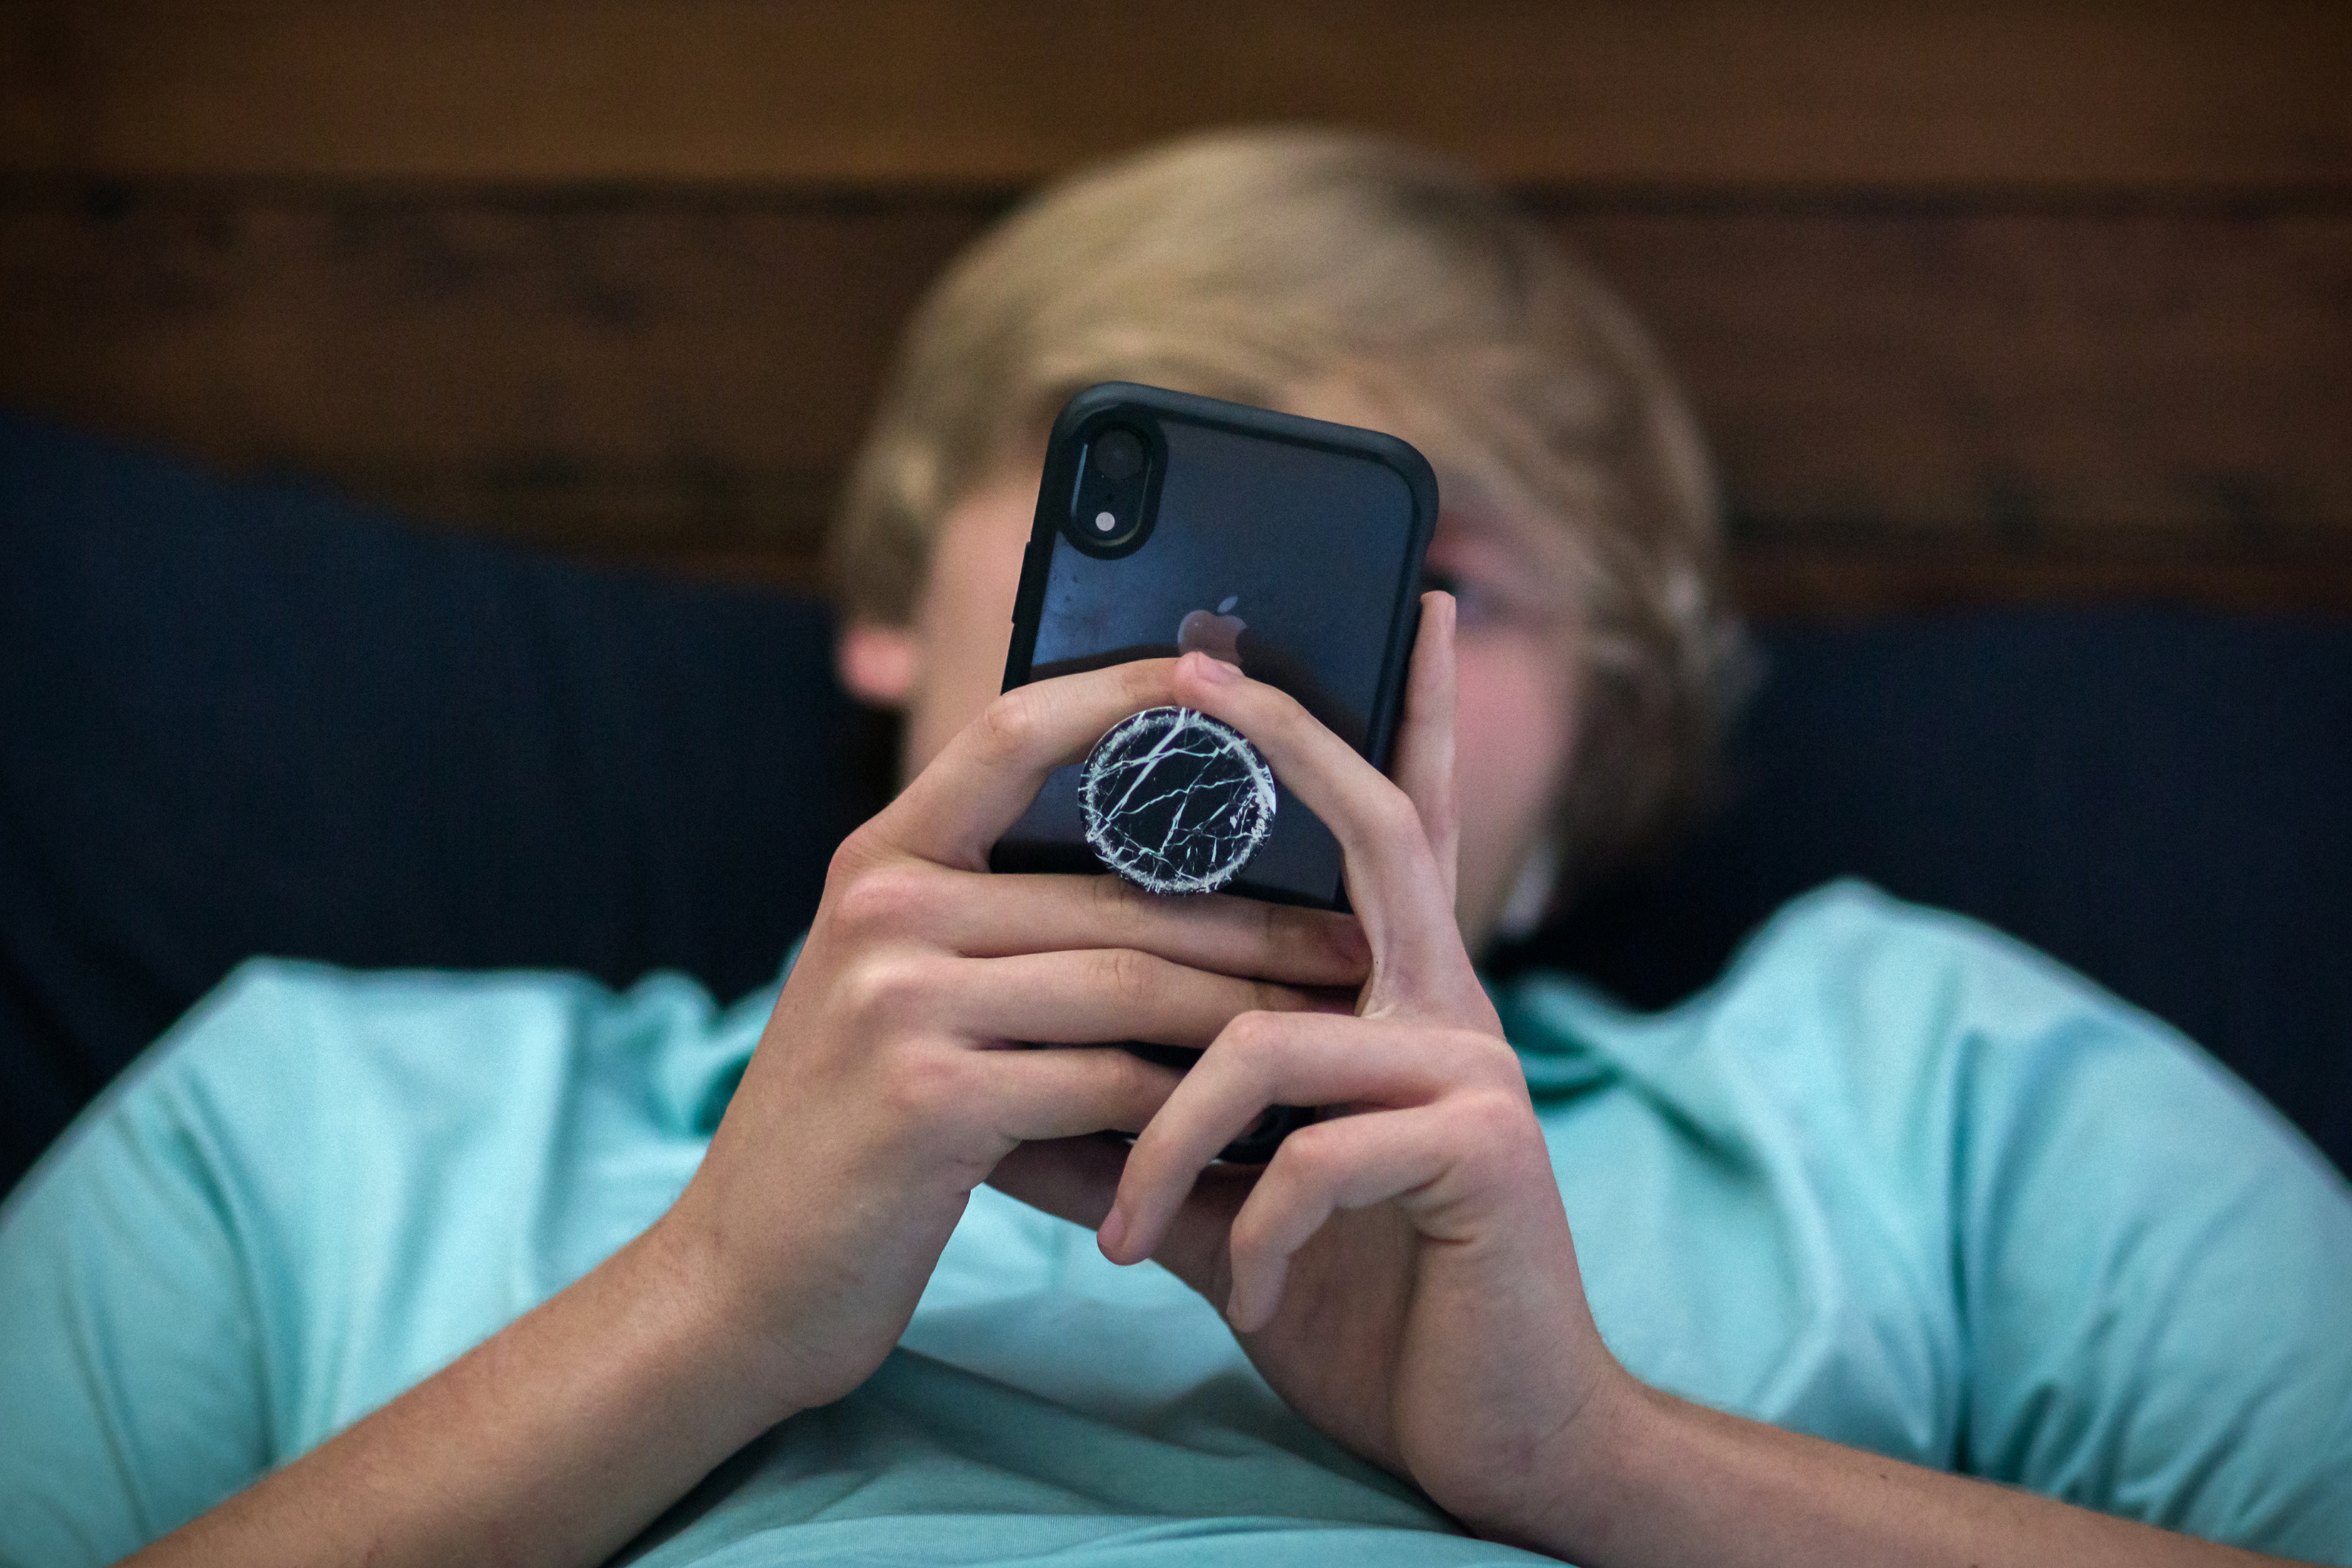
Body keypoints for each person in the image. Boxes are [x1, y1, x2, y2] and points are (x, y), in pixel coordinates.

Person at [3, 129, 2348, 1568]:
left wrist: (1605, 1469)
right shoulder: (309, 1120)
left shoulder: (1931, 1088)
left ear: (1596, 762)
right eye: (1125, 523)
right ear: (882, 601)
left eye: (1434, 580)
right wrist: (701, 1319)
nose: (1221, 676)